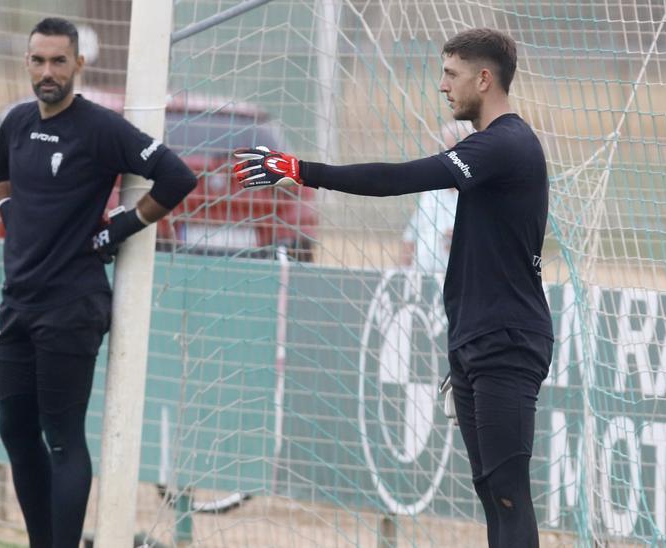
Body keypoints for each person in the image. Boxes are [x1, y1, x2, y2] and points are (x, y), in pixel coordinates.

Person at [234, 28, 553, 548]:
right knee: (494, 495)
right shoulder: (488, 147)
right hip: (476, 339)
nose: (442, 86)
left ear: (484, 77)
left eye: (451, 74)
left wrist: (300, 170)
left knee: (510, 496)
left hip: (507, 342)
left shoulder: (506, 143)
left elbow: (399, 177)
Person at [0, 17, 197, 547]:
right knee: (14, 431)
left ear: (79, 64)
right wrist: (12, 215)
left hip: (72, 306)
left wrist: (119, 228)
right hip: (18, 301)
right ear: (27, 63)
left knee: (61, 439)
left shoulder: (101, 128)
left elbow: (178, 176)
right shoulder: (15, 123)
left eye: (59, 61)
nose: (48, 71)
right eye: (38, 60)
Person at [401, 121, 472, 272]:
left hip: (456, 284)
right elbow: (410, 237)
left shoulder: (479, 196)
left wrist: (465, 240)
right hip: (420, 281)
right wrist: (403, 273)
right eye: (443, 149)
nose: (448, 157)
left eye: (454, 151)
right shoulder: (431, 191)